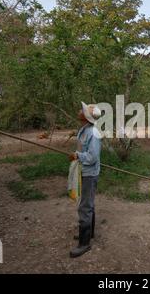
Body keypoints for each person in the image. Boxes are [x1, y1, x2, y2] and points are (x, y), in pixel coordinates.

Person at [69, 102, 102, 258]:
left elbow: (92, 157)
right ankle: (89, 234)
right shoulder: (84, 129)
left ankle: (84, 243)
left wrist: (78, 156)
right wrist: (78, 154)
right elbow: (84, 148)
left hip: (90, 173)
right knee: (88, 203)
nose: (79, 111)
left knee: (85, 206)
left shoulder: (93, 132)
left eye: (82, 110)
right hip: (84, 171)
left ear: (87, 117)